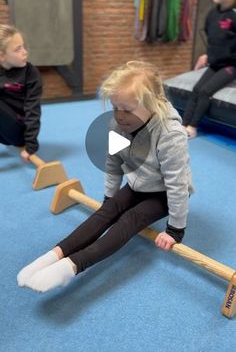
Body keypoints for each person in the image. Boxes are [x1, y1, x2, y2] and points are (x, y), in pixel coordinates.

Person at [17, 61, 193, 293]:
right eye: (115, 107)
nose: (119, 116)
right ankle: (52, 256)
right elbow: (114, 163)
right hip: (137, 184)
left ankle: (72, 266)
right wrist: (110, 198)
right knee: (105, 213)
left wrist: (174, 230)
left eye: (127, 109)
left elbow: (177, 184)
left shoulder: (170, 135)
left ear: (154, 104)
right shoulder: (117, 125)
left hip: (163, 194)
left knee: (130, 220)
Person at [183, 0, 236, 138]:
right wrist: (206, 55)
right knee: (197, 88)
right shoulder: (213, 14)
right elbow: (214, 39)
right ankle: (183, 124)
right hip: (215, 62)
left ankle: (193, 126)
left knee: (206, 91)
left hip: (230, 65)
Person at [0, 24, 42, 160]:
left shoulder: (30, 73)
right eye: (18, 49)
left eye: (23, 46)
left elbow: (33, 110)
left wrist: (31, 146)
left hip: (19, 132)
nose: (25, 52)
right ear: (2, 56)